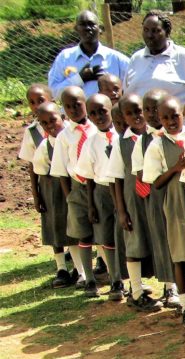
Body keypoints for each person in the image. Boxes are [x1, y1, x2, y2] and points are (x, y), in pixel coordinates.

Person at [142, 95, 185, 330]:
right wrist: (175, 168)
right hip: (176, 204)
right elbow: (155, 182)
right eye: (165, 117)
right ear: (159, 119)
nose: (171, 121)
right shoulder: (158, 144)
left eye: (175, 116)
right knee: (180, 255)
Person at [107, 94, 163, 311]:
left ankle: (171, 289)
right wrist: (121, 210)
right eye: (130, 114)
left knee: (160, 240)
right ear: (123, 117)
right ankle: (136, 292)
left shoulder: (156, 136)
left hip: (155, 198)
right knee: (135, 242)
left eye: (140, 111)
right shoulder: (120, 143)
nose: (137, 116)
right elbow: (114, 180)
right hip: (134, 200)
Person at [132, 88, 181, 309]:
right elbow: (141, 175)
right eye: (148, 109)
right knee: (164, 242)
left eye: (157, 108)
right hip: (157, 198)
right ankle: (169, 288)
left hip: (182, 199)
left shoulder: (184, 136)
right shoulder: (142, 142)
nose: (152, 113)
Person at [19, 85, 71, 288]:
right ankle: (61, 268)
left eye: (40, 100)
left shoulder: (66, 127)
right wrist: (36, 193)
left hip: (68, 180)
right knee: (53, 224)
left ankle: (82, 266)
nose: (36, 105)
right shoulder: (32, 132)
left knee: (74, 222)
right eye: (31, 102)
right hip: (48, 183)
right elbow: (32, 165)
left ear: (52, 100)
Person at [50, 86, 100, 295]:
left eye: (77, 104)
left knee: (104, 231)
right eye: (68, 106)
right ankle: (88, 278)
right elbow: (61, 170)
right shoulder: (64, 136)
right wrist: (69, 194)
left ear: (85, 103)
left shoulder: (97, 129)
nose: (73, 109)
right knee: (82, 233)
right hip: (77, 187)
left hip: (99, 184)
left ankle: (112, 274)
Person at [77, 93, 125, 301]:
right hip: (102, 191)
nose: (98, 116)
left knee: (125, 234)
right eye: (93, 113)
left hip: (123, 190)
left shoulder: (121, 136)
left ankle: (130, 279)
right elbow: (87, 176)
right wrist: (91, 205)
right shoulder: (90, 142)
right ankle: (115, 280)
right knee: (107, 236)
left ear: (111, 109)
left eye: (102, 111)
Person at [31, 102, 77, 288]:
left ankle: (81, 269)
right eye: (44, 123)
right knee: (56, 228)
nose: (50, 126)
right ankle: (61, 268)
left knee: (77, 228)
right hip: (53, 188)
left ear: (63, 118)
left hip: (74, 185)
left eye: (53, 120)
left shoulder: (73, 137)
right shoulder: (44, 146)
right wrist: (39, 196)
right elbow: (39, 170)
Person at [124, 10, 185, 103]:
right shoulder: (136, 59)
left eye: (156, 31)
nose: (149, 35)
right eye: (146, 30)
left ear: (167, 32)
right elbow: (126, 96)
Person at [48, 10, 130, 99]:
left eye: (91, 24)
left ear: (100, 28)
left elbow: (131, 88)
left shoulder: (117, 59)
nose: (87, 28)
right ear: (76, 28)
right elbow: (53, 92)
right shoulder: (65, 58)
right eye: (82, 24)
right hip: (74, 112)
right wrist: (80, 78)